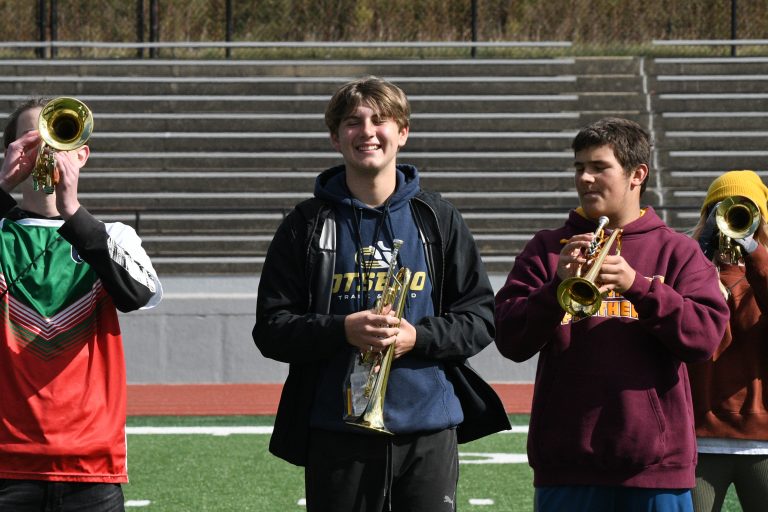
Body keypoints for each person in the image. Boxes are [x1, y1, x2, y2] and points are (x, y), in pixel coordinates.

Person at [252, 76, 509, 512]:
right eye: (353, 122)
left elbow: (481, 318)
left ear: (402, 133)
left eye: (381, 120)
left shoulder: (438, 218)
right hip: (337, 431)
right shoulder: (305, 225)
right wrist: (342, 330)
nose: (367, 132)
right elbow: (272, 329)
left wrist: (418, 338)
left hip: (428, 428)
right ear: (335, 138)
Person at [494, 117, 730, 512]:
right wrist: (555, 289)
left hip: (656, 469)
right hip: (567, 465)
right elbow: (510, 340)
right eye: (579, 167)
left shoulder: (678, 251)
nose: (584, 178)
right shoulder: (547, 249)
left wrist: (639, 287)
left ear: (637, 175)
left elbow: (703, 340)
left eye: (599, 167)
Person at [0, 98, 163, 511]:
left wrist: (72, 211)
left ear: (81, 155)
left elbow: (139, 294)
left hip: (90, 467)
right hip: (6, 465)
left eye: (60, 137)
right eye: (33, 138)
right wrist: (1, 188)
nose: (48, 150)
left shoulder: (113, 236)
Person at [687, 170, 768, 512]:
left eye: (744, 210)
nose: (729, 220)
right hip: (699, 441)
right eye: (719, 208)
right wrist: (697, 254)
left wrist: (754, 252)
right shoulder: (688, 272)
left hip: (762, 443)